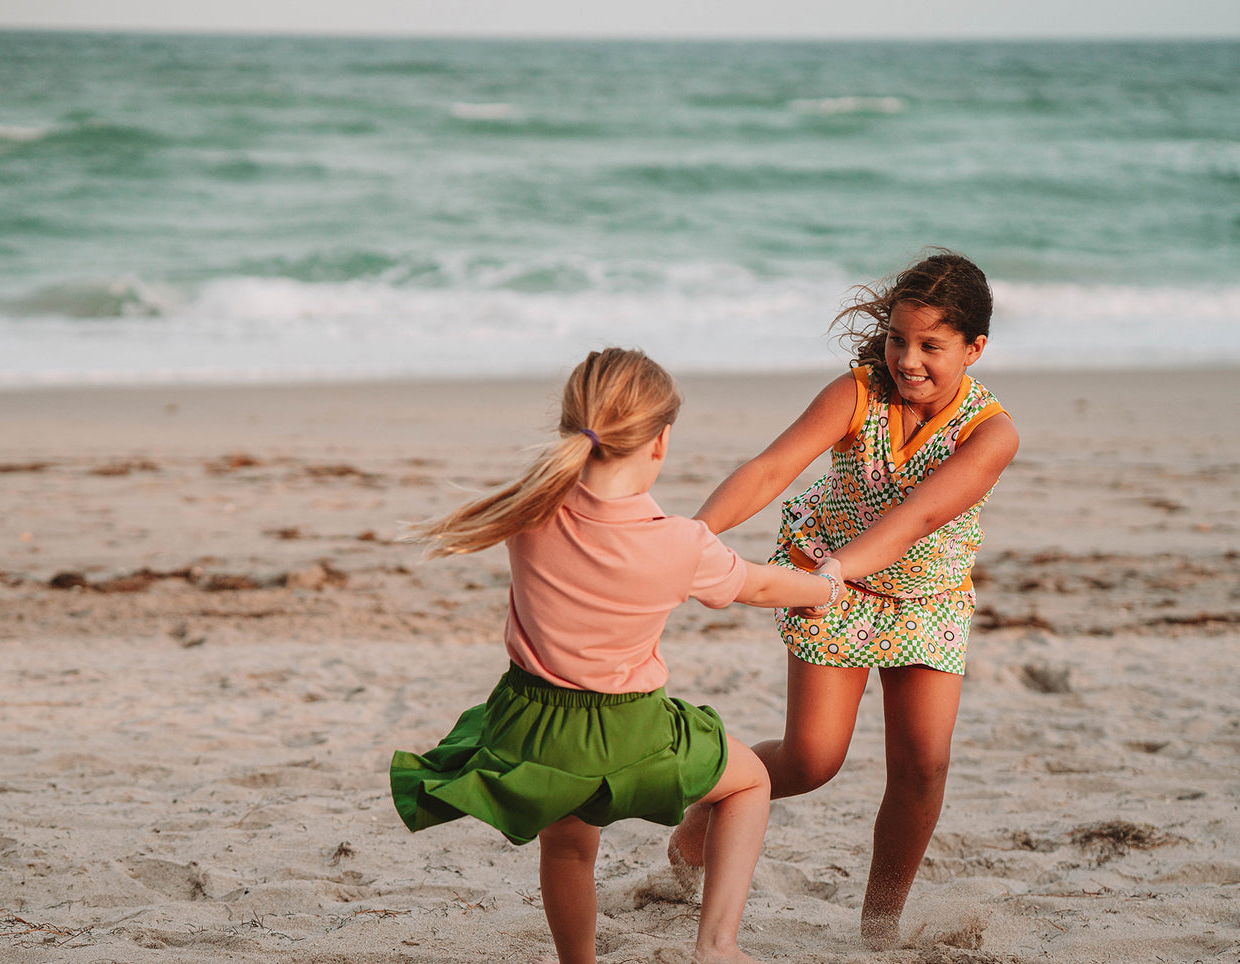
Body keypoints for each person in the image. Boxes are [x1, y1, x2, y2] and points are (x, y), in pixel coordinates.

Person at [390, 348, 844, 964]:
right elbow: (759, 585)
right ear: (659, 443)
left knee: (570, 849)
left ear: (571, 430)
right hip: (630, 731)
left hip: (535, 731)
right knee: (748, 783)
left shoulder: (529, 508)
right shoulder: (680, 543)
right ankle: (717, 944)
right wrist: (824, 588)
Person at [668, 250, 1020, 950]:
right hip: (830, 583)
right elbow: (771, 467)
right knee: (811, 760)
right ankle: (695, 828)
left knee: (923, 763)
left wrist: (836, 571)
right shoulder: (856, 392)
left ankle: (880, 924)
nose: (906, 359)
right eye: (896, 338)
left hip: (924, 594)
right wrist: (690, 537)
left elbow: (916, 519)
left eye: (930, 346)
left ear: (974, 349)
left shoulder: (990, 434)